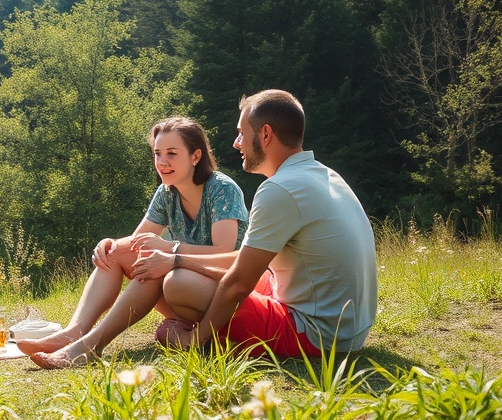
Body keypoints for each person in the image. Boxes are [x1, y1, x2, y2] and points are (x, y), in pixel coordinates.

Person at [156, 89, 377, 356]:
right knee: (185, 275)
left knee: (178, 284)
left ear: (265, 134)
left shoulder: (280, 188)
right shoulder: (324, 175)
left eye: (242, 133)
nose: (236, 143)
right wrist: (179, 260)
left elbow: (238, 284)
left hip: (317, 333)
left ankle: (212, 342)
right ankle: (225, 338)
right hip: (350, 327)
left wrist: (195, 339)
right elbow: (244, 262)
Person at [26, 116, 249, 369]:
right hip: (183, 289)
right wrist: (110, 245)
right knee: (117, 255)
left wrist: (170, 249)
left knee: (154, 264)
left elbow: (225, 251)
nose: (162, 162)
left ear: (195, 156)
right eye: (157, 153)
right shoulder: (167, 192)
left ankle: (90, 346)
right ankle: (74, 332)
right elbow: (138, 241)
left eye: (172, 153)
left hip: (222, 294)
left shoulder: (221, 189)